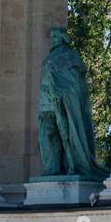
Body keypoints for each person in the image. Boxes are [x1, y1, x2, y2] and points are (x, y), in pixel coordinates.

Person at [38, 27, 106, 179]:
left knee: (65, 134)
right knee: (48, 136)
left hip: (62, 102)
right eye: (52, 37)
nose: (53, 40)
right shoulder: (50, 58)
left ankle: (70, 166)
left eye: (55, 36)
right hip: (46, 103)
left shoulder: (71, 58)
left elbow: (75, 84)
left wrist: (62, 93)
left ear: (63, 38)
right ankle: (52, 168)